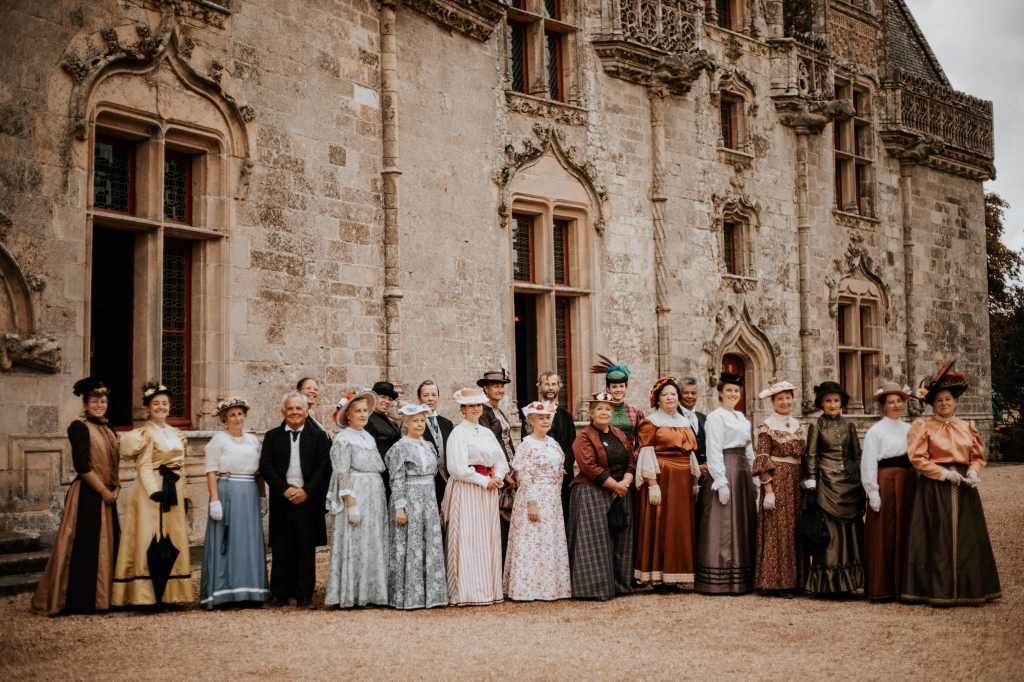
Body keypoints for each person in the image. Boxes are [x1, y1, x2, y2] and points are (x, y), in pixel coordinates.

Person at [902, 361, 1001, 606]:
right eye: (939, 401)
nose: (944, 404)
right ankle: (937, 590)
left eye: (948, 399)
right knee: (937, 535)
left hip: (965, 486)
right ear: (933, 404)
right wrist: (944, 474)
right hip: (935, 486)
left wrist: (974, 472)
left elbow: (977, 456)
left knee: (968, 537)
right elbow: (918, 458)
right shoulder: (922, 426)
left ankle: (970, 589)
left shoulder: (967, 426)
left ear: (955, 401)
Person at [32, 378, 120, 615]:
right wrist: (103, 491)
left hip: (108, 495)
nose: (100, 404)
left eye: (103, 400)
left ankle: (104, 597)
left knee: (108, 544)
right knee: (86, 545)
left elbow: (113, 462)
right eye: (94, 400)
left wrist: (116, 487)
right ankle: (80, 600)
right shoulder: (78, 427)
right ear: (85, 403)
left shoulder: (108, 427)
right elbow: (82, 466)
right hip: (88, 495)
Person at [112, 381, 194, 606]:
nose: (161, 407)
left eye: (165, 403)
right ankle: (145, 593)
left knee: (173, 535)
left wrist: (183, 492)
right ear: (147, 407)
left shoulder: (176, 433)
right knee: (150, 535)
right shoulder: (143, 434)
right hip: (154, 490)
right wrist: (154, 492)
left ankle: (171, 592)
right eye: (156, 403)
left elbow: (181, 466)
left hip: (173, 488)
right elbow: (144, 465)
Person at [259, 391, 332, 608]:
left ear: (307, 411)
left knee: (305, 547)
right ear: (283, 411)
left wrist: (306, 491)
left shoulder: (319, 437)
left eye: (299, 408)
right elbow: (266, 466)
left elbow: (324, 467)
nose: (294, 412)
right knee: (281, 546)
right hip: (283, 499)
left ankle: (304, 595)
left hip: (308, 500)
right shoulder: (272, 436)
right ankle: (279, 594)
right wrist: (284, 489)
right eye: (290, 408)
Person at [200, 398, 269, 609]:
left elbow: (259, 473)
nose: (237, 418)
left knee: (248, 539)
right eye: (232, 415)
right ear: (224, 419)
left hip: (249, 491)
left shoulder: (252, 440)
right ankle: (224, 592)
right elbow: (211, 470)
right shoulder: (219, 440)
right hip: (227, 490)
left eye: (240, 414)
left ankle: (250, 591)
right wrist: (214, 500)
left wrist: (262, 496)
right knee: (227, 540)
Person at [567, 392, 636, 600]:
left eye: (608, 409)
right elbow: (589, 466)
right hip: (592, 491)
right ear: (591, 413)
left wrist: (626, 481)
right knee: (596, 540)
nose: (605, 412)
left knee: (622, 537)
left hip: (620, 489)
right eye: (600, 408)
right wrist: (615, 485)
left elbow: (630, 460)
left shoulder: (619, 434)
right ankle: (594, 588)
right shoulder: (584, 437)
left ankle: (619, 584)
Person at [443, 387, 508, 606]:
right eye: (470, 406)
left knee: (487, 537)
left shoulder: (487, 433)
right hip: (468, 488)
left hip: (488, 490)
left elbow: (500, 460)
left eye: (477, 405)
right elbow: (456, 467)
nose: (474, 409)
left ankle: (488, 589)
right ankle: (468, 591)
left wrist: (498, 476)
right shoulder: (457, 433)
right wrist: (482, 481)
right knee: (469, 537)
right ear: (462, 409)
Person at [633, 376, 700, 589]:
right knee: (661, 523)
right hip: (662, 477)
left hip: (682, 480)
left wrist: (694, 479)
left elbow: (690, 454)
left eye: (673, 394)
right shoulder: (651, 422)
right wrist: (652, 483)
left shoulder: (684, 422)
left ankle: (677, 574)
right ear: (658, 399)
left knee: (679, 525)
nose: (670, 398)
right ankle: (658, 575)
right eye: (665, 395)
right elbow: (646, 452)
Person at [324, 390, 389, 608]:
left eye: (365, 411)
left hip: (374, 492)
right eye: (357, 411)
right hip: (357, 491)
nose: (362, 415)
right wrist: (350, 502)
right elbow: (341, 472)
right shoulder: (344, 439)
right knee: (355, 539)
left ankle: (370, 591)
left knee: (371, 540)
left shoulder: (368, 437)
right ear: (348, 416)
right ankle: (351, 593)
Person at [695, 372, 757, 595]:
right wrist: (720, 480)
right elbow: (713, 448)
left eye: (736, 391)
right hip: (725, 467)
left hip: (742, 472)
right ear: (720, 393)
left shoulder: (742, 418)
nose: (733, 394)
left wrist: (755, 474)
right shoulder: (716, 417)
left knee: (742, 520)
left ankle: (742, 577)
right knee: (724, 523)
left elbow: (749, 448)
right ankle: (720, 578)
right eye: (729, 390)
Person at [504, 401, 571, 602]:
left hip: (552, 498)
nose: (545, 421)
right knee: (531, 540)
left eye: (547, 418)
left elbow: (560, 471)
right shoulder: (527, 444)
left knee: (549, 540)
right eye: (540, 418)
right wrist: (531, 501)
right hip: (533, 495)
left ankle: (549, 587)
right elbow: (523, 474)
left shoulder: (553, 443)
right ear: (531, 420)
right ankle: (527, 588)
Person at [802, 381, 864, 596]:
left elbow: (856, 454)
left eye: (836, 401)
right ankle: (827, 584)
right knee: (830, 533)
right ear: (821, 403)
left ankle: (849, 582)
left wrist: (859, 478)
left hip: (849, 484)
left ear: (842, 403)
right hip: (826, 483)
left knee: (849, 532)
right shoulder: (816, 425)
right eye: (828, 401)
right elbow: (811, 453)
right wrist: (810, 477)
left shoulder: (849, 426)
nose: (832, 404)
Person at [386, 403, 447, 610]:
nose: (419, 424)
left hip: (428, 499)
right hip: (410, 498)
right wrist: (400, 507)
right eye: (415, 421)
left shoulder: (428, 446)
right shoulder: (400, 448)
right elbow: (396, 479)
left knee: (429, 543)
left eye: (422, 420)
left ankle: (432, 594)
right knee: (410, 543)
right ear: (406, 423)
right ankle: (409, 595)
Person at [860, 383, 915, 602]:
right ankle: (882, 587)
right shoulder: (876, 431)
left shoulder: (910, 428)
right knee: (885, 531)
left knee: (905, 529)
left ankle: (905, 585)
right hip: (886, 481)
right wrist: (873, 491)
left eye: (899, 401)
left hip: (908, 481)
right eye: (891, 402)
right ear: (883, 406)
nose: (896, 405)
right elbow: (868, 462)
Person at [752, 380, 806, 594]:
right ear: (772, 401)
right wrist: (768, 490)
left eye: (788, 397)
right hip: (778, 481)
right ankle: (774, 582)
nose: (785, 402)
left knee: (794, 530)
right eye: (780, 398)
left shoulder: (798, 425)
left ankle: (796, 580)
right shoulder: (767, 426)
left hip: (796, 482)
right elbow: (763, 458)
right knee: (778, 530)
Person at [521, 371, 577, 522]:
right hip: (537, 478)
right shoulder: (531, 413)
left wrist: (562, 467)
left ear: (559, 387)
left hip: (561, 475)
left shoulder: (565, 415)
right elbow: (526, 444)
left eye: (554, 384)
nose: (550, 388)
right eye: (547, 384)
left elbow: (572, 444)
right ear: (539, 386)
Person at [477, 369, 517, 554]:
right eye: (495, 386)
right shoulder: (483, 412)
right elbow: (490, 447)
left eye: (502, 386)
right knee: (500, 518)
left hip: (509, 468)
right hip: (498, 474)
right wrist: (505, 473)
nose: (500, 390)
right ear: (485, 388)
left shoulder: (498, 410)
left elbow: (507, 442)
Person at [590, 355, 644, 448]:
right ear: (608, 388)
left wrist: (635, 457)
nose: (618, 390)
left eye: (621, 386)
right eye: (614, 387)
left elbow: (641, 440)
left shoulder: (636, 412)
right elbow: (594, 438)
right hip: (607, 458)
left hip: (630, 459)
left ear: (626, 387)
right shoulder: (601, 412)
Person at [679, 377, 708, 544]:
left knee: (701, 518)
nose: (690, 396)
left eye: (693, 393)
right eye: (686, 393)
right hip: (684, 476)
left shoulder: (703, 418)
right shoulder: (674, 417)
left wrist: (708, 465)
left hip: (704, 477)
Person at [418, 379, 453, 508]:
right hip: (425, 482)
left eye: (433, 395)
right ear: (419, 398)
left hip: (445, 481)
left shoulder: (447, 423)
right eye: (426, 395)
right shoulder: (415, 424)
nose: (430, 399)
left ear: (438, 397)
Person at [366, 381, 401, 496]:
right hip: (378, 477)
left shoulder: (389, 420)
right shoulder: (368, 419)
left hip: (391, 475)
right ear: (374, 397)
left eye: (390, 399)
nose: (387, 401)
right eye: (383, 397)